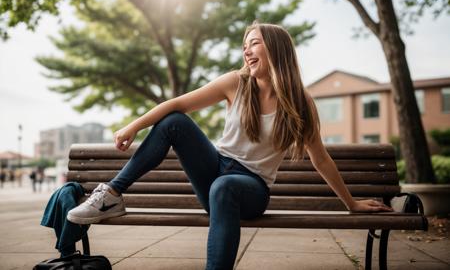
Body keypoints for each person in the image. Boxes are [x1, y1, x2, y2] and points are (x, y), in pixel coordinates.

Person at [67, 22, 393, 269]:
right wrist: (133, 126)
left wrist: (350, 203)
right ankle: (111, 194)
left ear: (276, 49)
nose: (246, 52)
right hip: (216, 172)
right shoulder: (236, 83)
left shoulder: (299, 103)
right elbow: (176, 102)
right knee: (174, 121)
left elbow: (321, 159)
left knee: (225, 187)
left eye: (254, 44)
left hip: (250, 189)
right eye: (244, 46)